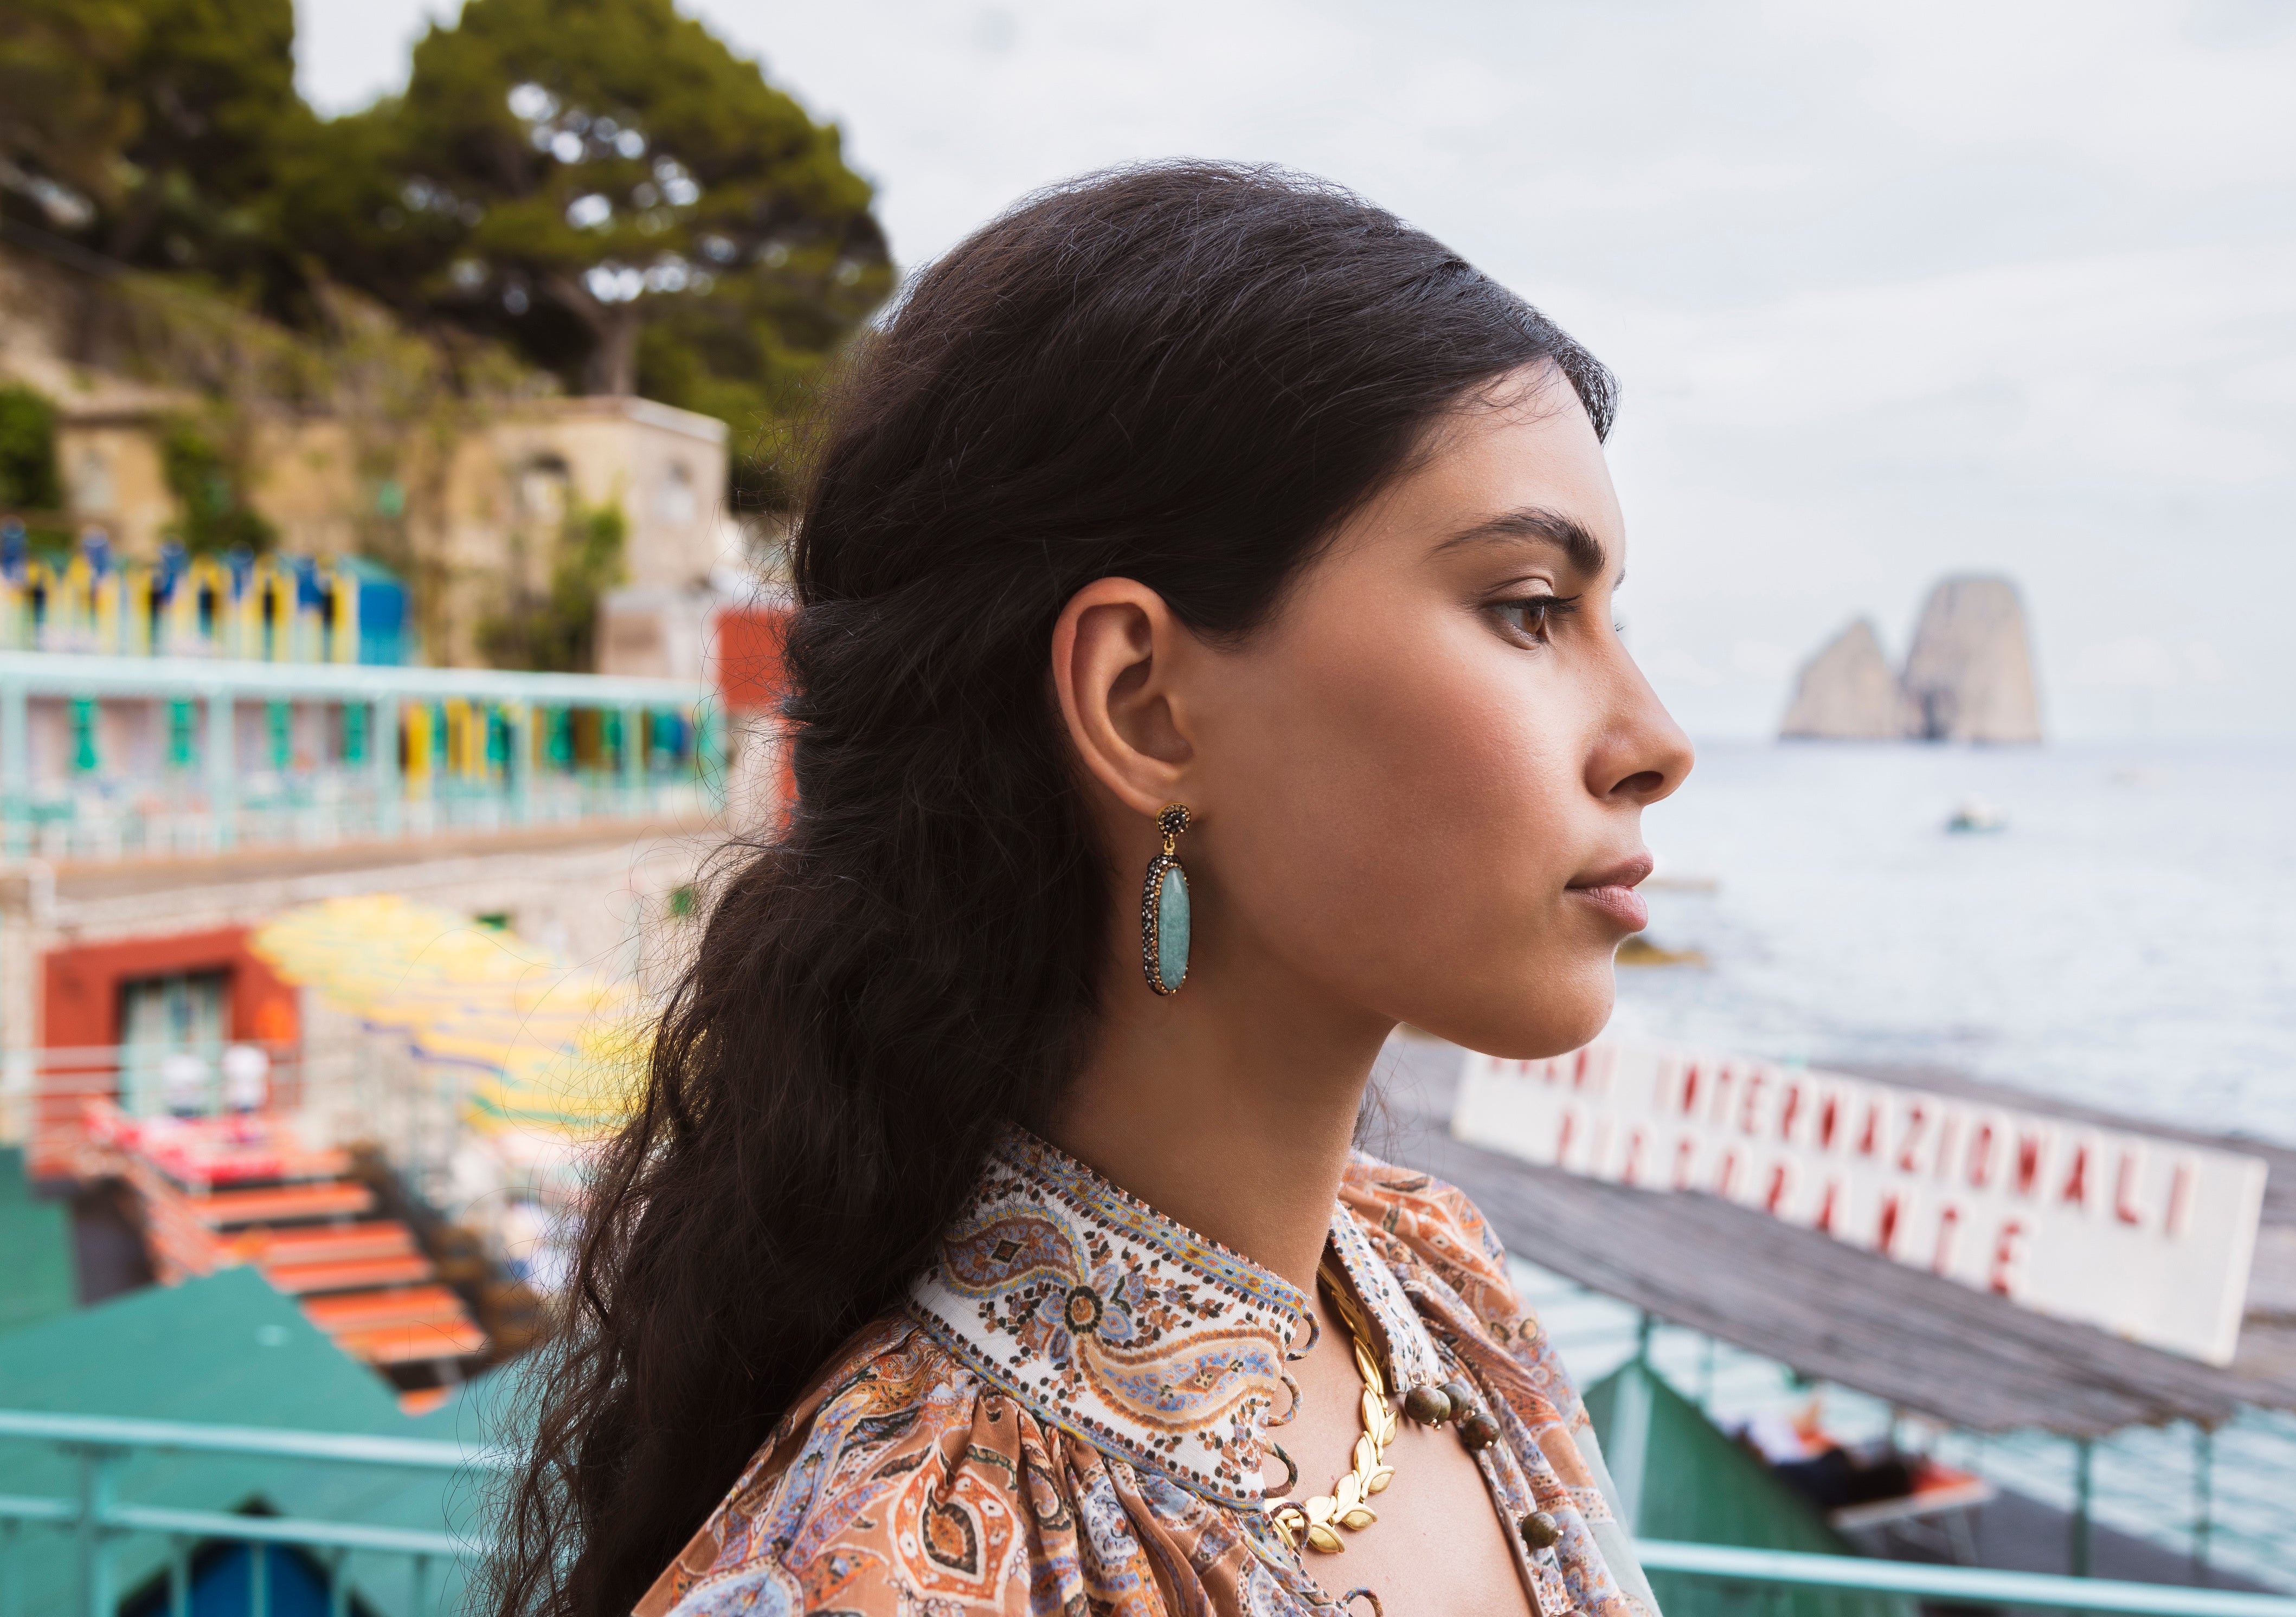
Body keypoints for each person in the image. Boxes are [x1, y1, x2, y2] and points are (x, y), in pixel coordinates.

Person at [486, 162, 1692, 1617]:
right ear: (1144, 706)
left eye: (1610, 617)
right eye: (1530, 610)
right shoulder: (883, 1571)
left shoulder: (1443, 1290)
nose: (1656, 742)